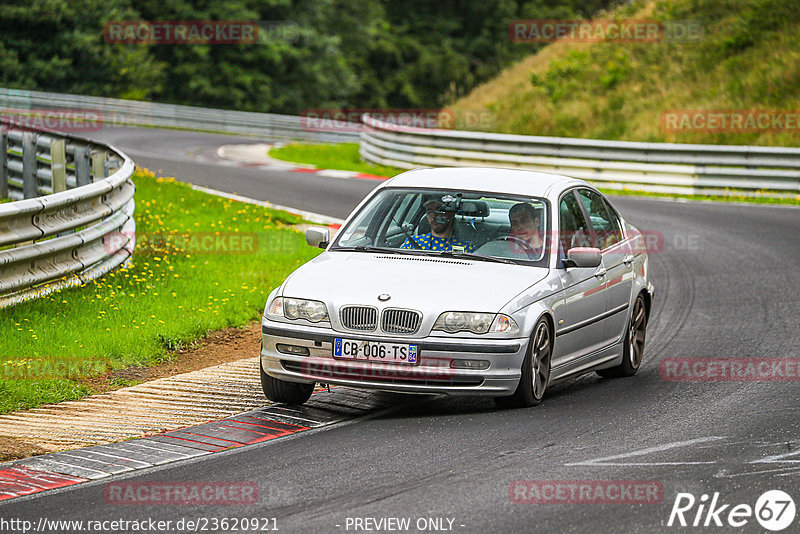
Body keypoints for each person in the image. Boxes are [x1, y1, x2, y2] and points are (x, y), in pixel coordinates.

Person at [401, 195, 475, 252]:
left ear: (452, 214)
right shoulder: (413, 242)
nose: (434, 216)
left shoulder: (466, 248)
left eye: (439, 211)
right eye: (430, 211)